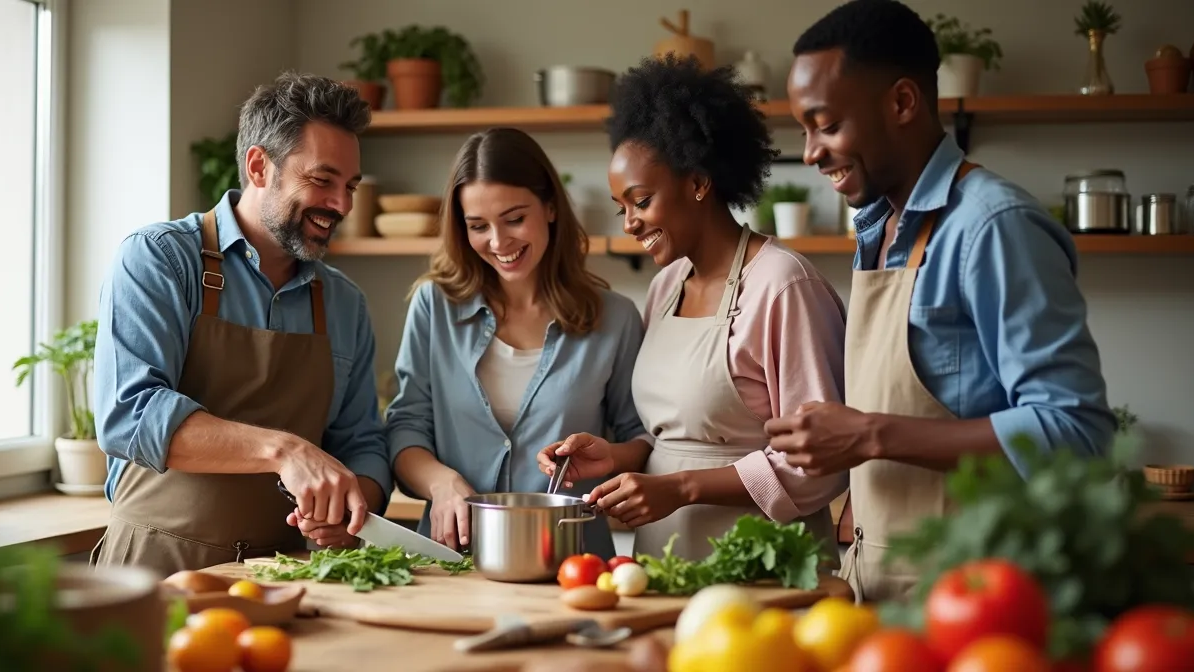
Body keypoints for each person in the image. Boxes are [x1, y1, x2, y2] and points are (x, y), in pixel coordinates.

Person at [769, 0, 1115, 602]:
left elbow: (1077, 434)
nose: (810, 152)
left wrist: (870, 435)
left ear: (903, 102)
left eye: (826, 125)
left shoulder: (992, 225)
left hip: (980, 605)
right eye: (804, 130)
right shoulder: (879, 229)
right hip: (881, 595)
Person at [537, 55, 850, 562]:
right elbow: (673, 435)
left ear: (698, 183)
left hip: (763, 565)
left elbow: (819, 463)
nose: (630, 223)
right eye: (622, 208)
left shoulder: (784, 286)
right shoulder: (666, 286)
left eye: (642, 201)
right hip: (665, 560)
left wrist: (682, 488)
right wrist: (615, 456)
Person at [91, 72, 392, 577]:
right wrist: (284, 451)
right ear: (258, 166)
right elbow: (130, 414)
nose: (342, 205)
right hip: (153, 571)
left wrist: (353, 507)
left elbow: (362, 442)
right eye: (322, 180)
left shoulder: (344, 303)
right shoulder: (160, 260)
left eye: (350, 187)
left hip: (283, 576)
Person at [384, 127, 650, 559]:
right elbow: (406, 427)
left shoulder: (615, 318)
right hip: (452, 555)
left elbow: (641, 438)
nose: (498, 241)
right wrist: (441, 483)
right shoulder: (434, 305)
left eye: (514, 219)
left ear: (550, 207)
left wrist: (609, 458)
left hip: (570, 556)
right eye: (478, 226)